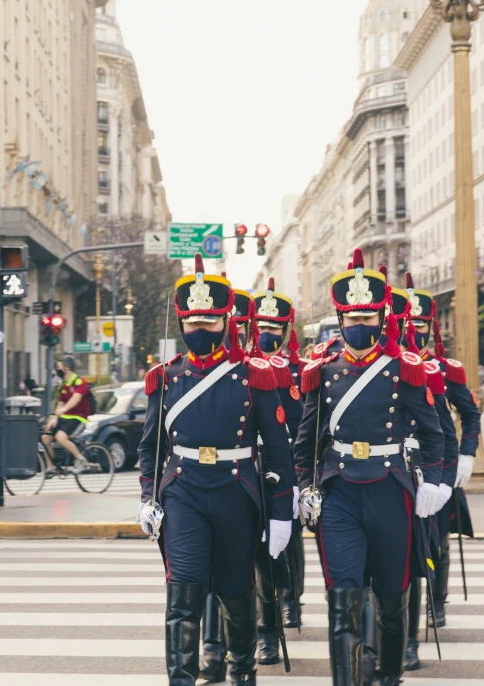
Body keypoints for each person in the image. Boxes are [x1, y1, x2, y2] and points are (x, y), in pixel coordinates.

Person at [137, 254, 294, 686]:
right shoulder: (164, 378)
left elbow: (279, 451)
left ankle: (242, 671)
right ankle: (182, 679)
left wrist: (282, 513)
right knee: (183, 593)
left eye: (209, 323)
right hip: (183, 490)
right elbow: (151, 446)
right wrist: (148, 496)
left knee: (234, 591)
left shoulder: (253, 376)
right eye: (192, 323)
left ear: (226, 322)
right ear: (182, 324)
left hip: (234, 490)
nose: (199, 331)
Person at [294, 248, 444, 686]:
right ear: (340, 320)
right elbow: (306, 442)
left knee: (392, 599)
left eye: (367, 318)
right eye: (351, 318)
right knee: (343, 598)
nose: (359, 326)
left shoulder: (404, 369)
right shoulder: (322, 371)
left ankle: (389, 675)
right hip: (339, 490)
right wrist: (305, 486)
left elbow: (433, 434)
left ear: (382, 318)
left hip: (390, 490)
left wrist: (433, 482)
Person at [404, 271, 479, 630]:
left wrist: (467, 456)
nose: (414, 330)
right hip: (401, 464)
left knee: (438, 538)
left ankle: (436, 601)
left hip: (441, 462)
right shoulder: (394, 370)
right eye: (408, 323)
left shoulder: (447, 370)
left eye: (420, 323)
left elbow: (469, 415)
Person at [199, 282, 253, 684]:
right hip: (204, 479)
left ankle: (264, 631)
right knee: (202, 574)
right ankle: (212, 648)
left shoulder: (259, 372)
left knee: (243, 573)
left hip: (249, 475)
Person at [252, 278, 304, 659]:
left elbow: (304, 425)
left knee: (287, 542)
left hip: (283, 464)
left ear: (287, 331)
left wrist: (300, 475)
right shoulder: (244, 368)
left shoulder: (296, 371)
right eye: (262, 327)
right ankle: (258, 625)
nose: (267, 333)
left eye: (274, 327)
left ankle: (292, 599)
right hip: (245, 467)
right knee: (255, 551)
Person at [42, 357, 90, 476]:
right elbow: (60, 403)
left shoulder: (79, 381)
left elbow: (76, 398)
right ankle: (50, 468)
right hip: (65, 417)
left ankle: (81, 459)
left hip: (78, 417)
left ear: (66, 368)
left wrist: (64, 409)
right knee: (45, 438)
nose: (56, 370)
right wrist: (54, 418)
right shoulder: (62, 385)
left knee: (60, 437)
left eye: (58, 367)